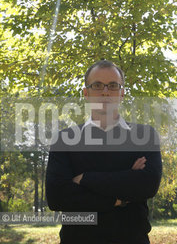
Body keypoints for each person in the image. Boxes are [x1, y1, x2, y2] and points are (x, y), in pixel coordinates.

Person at [45, 60, 162, 244]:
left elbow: (148, 185)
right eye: (97, 85)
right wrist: (120, 196)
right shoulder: (64, 139)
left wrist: (85, 179)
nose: (106, 92)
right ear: (86, 93)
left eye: (113, 86)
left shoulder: (145, 136)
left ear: (122, 93)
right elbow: (57, 197)